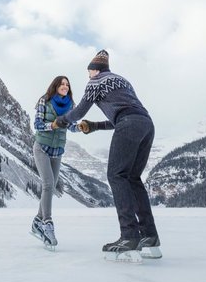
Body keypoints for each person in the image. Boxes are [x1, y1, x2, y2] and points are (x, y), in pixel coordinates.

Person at [54, 50, 160, 254]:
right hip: (146, 124)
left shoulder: (96, 81)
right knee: (133, 178)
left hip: (129, 124)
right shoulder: (123, 81)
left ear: (93, 70)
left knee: (116, 175)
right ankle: (150, 236)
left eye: (88, 72)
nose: (88, 76)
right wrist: (94, 126)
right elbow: (123, 116)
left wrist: (62, 120)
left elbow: (79, 111)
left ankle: (129, 236)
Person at [30, 75, 76, 247]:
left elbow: (71, 125)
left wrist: (82, 127)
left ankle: (37, 221)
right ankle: (47, 224)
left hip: (57, 150)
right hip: (42, 147)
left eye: (67, 85)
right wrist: (53, 125)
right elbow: (37, 124)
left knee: (52, 186)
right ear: (56, 86)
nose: (65, 86)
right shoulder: (45, 100)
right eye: (62, 84)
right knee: (48, 184)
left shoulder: (71, 105)